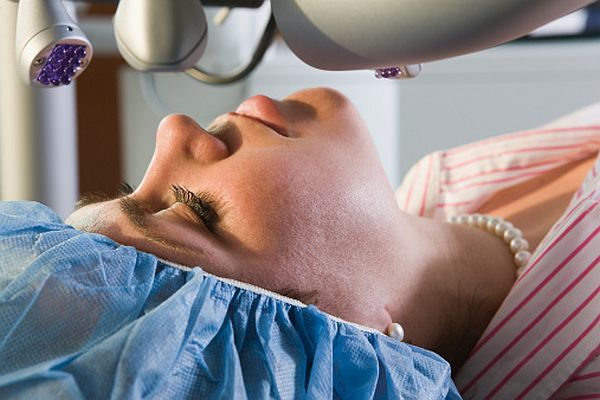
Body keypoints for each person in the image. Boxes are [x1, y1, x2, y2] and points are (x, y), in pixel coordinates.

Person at [66, 87, 599, 398]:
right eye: (193, 211)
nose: (173, 131)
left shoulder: (439, 190)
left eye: (130, 187)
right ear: (346, 344)